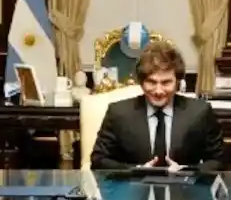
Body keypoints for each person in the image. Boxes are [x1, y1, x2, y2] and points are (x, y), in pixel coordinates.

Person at [91, 42, 224, 171]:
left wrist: (186, 170)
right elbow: (98, 160)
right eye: (151, 82)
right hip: (132, 189)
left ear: (177, 82)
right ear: (141, 82)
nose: (158, 91)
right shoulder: (118, 113)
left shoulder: (200, 112)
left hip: (184, 190)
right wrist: (135, 170)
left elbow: (219, 161)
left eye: (166, 82)